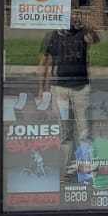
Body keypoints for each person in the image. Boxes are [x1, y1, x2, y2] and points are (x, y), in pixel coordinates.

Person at [40, 17, 100, 145]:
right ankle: (68, 154)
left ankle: (85, 154)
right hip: (60, 89)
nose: (71, 17)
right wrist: (42, 88)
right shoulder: (53, 35)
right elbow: (45, 63)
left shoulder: (82, 33)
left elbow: (95, 40)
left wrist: (86, 26)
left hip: (80, 88)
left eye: (73, 14)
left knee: (84, 127)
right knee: (64, 127)